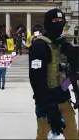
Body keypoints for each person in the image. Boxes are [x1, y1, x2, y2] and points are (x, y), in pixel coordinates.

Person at [29, 8, 78, 139]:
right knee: (43, 136)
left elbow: (71, 74)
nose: (59, 24)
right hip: (46, 104)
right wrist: (50, 109)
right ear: (47, 23)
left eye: (62, 21)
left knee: (73, 135)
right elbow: (36, 80)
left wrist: (72, 53)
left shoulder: (62, 45)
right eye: (55, 20)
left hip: (64, 99)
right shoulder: (39, 45)